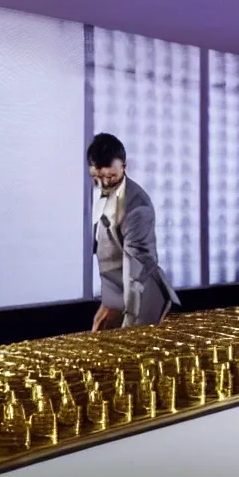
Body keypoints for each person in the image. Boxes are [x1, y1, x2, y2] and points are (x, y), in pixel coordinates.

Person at [87, 133, 180, 331]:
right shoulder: (94, 189)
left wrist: (129, 323)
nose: (104, 183)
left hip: (139, 298)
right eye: (98, 177)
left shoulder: (137, 209)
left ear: (124, 167)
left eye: (111, 177)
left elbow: (136, 270)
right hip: (113, 294)